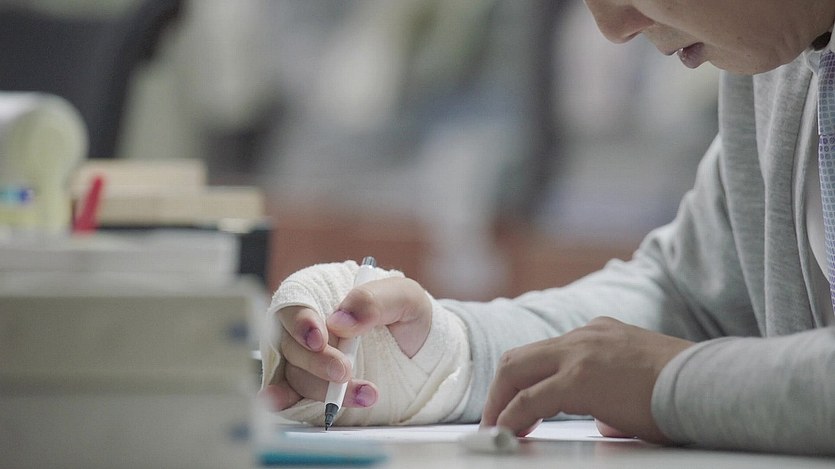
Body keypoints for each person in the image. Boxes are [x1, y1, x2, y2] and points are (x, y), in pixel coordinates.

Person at [259, 0, 835, 455]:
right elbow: (691, 298)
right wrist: (438, 357)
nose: (612, 27)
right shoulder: (775, 65)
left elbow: (666, 358)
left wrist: (674, 386)